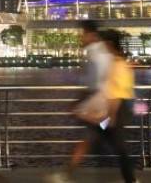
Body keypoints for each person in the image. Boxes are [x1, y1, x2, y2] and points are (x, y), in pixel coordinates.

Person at [47, 20, 113, 183]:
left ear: (92, 35)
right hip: (107, 104)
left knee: (91, 138)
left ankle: (66, 175)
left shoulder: (93, 53)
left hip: (99, 105)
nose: (80, 38)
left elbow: (93, 83)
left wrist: (78, 102)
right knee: (102, 136)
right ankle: (128, 175)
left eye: (83, 34)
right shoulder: (104, 51)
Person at [99, 29, 138, 183]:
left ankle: (131, 179)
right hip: (119, 108)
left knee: (119, 146)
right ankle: (130, 179)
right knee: (113, 141)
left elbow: (117, 95)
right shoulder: (118, 62)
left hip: (118, 109)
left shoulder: (118, 65)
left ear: (109, 44)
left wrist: (111, 117)